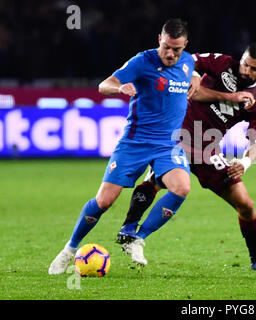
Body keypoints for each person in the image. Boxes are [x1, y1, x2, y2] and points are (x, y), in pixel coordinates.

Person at [48, 19, 198, 274]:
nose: (170, 54)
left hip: (167, 144)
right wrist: (119, 88)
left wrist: (195, 77)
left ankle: (137, 238)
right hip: (135, 141)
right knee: (104, 201)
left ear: (185, 46)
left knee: (182, 188)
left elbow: (194, 67)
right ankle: (70, 249)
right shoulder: (142, 61)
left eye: (176, 50)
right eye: (166, 48)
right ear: (158, 40)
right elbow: (103, 85)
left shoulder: (188, 62)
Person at [117, 42, 256, 271]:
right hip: (178, 134)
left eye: (253, 69)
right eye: (244, 64)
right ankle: (130, 229)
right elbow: (188, 60)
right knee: (156, 181)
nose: (245, 71)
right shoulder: (222, 63)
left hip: (209, 148)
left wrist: (245, 162)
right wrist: (192, 75)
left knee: (246, 205)